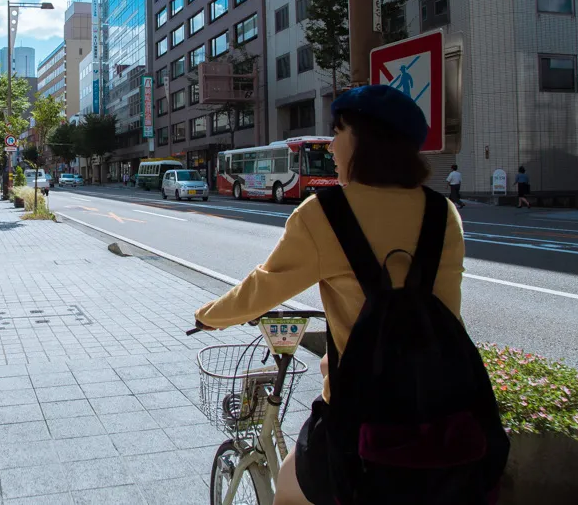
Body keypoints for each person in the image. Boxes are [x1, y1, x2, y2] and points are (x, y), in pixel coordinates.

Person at [194, 85, 468, 505]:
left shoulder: (326, 213)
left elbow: (264, 286)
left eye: (338, 131)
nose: (332, 145)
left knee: (290, 489)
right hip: (443, 408)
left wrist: (210, 315)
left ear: (361, 139)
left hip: (359, 417)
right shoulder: (442, 213)